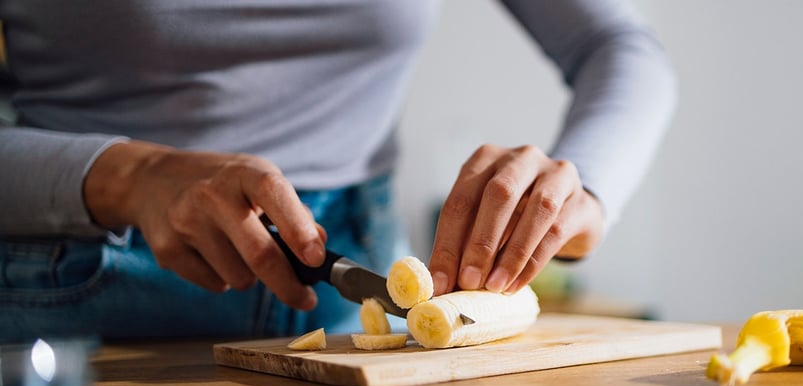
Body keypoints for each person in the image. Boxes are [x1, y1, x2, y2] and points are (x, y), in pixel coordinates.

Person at [0, 0, 676, 342]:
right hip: (71, 290)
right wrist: (131, 174)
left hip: (352, 296)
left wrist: (585, 183)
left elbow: (617, 45)